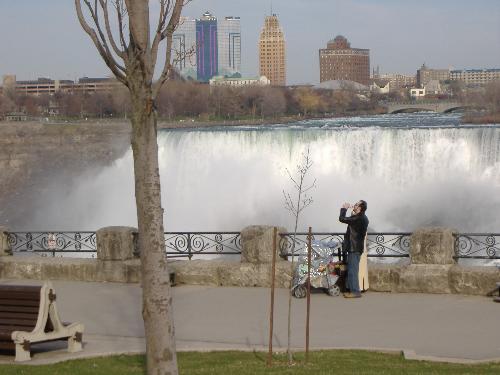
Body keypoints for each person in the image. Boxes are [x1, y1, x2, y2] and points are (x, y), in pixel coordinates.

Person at [339, 200, 369, 298]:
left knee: (352, 270)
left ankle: (355, 292)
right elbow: (353, 222)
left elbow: (342, 218)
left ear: (360, 208)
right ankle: (351, 289)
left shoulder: (359, 218)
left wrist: (344, 208)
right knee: (352, 269)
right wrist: (353, 213)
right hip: (355, 247)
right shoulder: (362, 217)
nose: (354, 205)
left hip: (354, 248)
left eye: (356, 205)